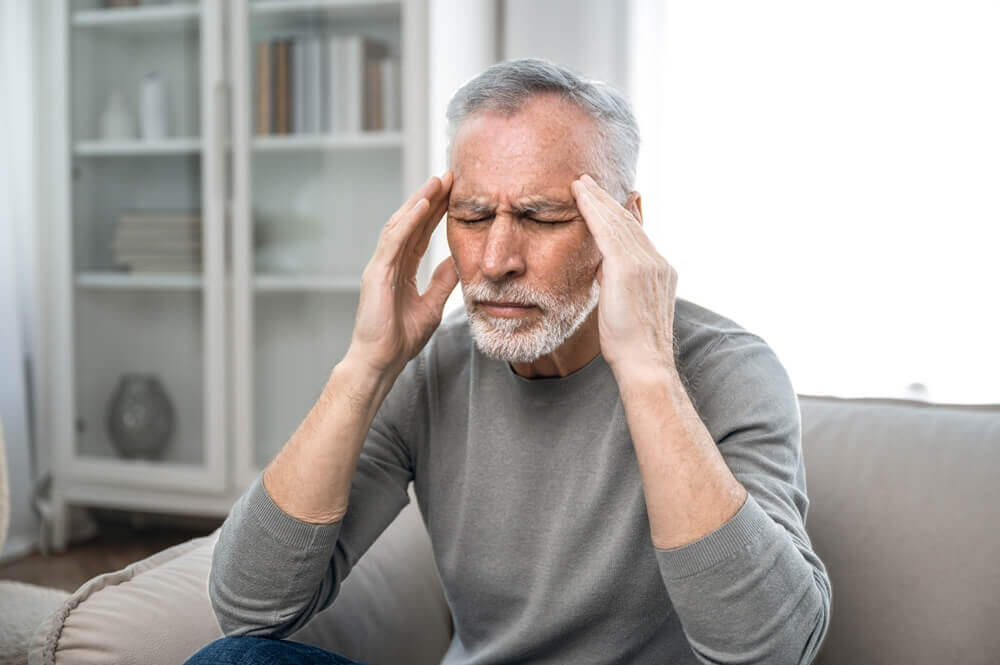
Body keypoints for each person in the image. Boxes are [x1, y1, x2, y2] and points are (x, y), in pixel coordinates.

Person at [186, 57, 832, 665]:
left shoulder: (733, 371)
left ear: (627, 224)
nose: (496, 260)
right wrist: (365, 366)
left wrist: (648, 373)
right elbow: (250, 605)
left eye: (540, 216)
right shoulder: (430, 371)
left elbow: (770, 649)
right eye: (471, 216)